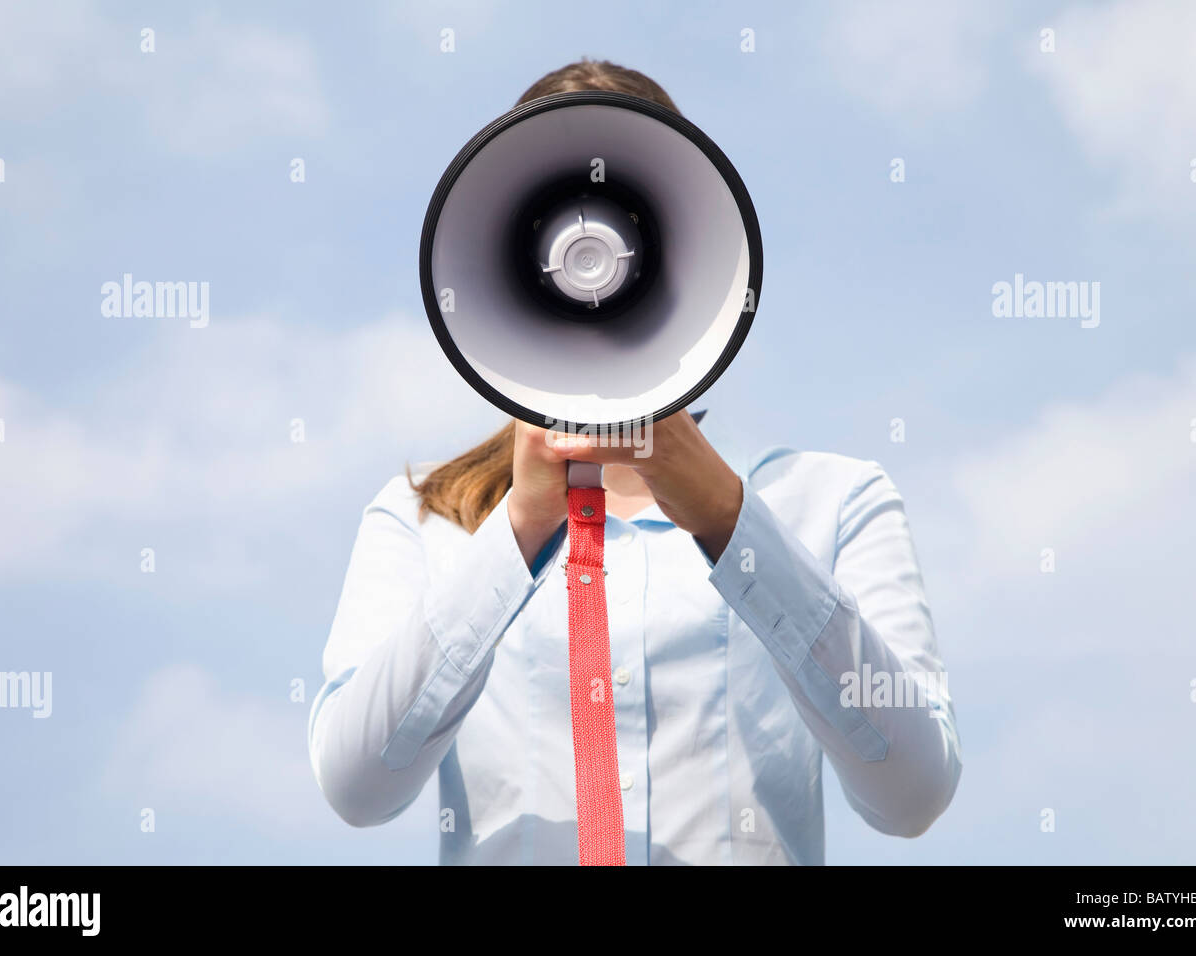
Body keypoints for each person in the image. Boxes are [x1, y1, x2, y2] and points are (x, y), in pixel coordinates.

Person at [307, 60, 962, 865]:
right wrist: (518, 532)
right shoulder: (426, 523)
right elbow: (355, 787)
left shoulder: (830, 502)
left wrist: (730, 523)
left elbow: (914, 795)